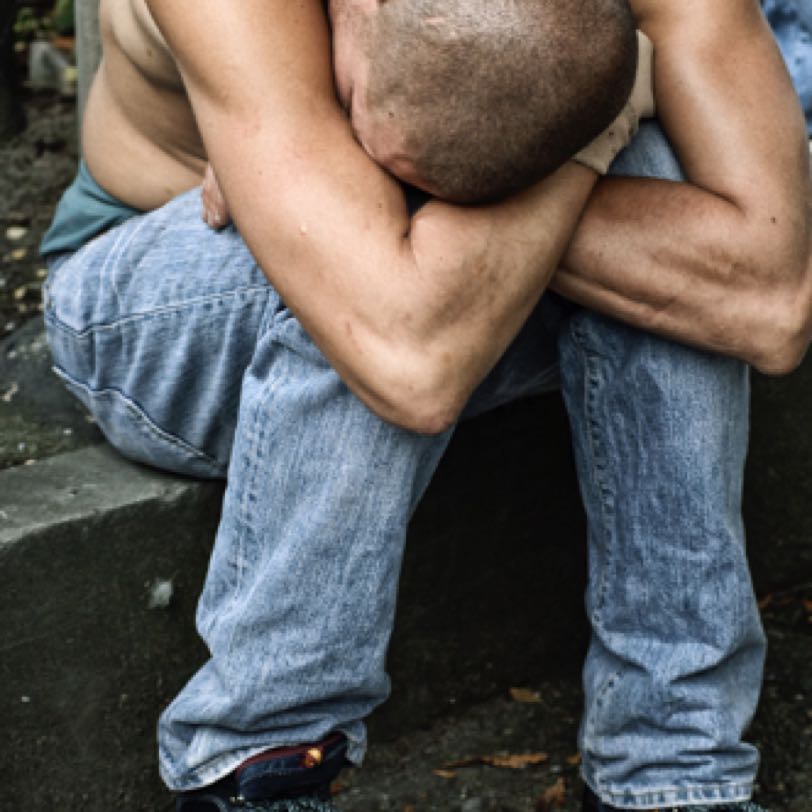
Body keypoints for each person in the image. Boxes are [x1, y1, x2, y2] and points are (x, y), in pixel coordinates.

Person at [39, 1, 811, 812]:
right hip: (152, 305)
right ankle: (261, 763)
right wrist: (601, 116)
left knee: (637, 173)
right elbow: (406, 358)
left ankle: (675, 774)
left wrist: (567, 129)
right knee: (379, 248)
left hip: (433, 292)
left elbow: (769, 302)